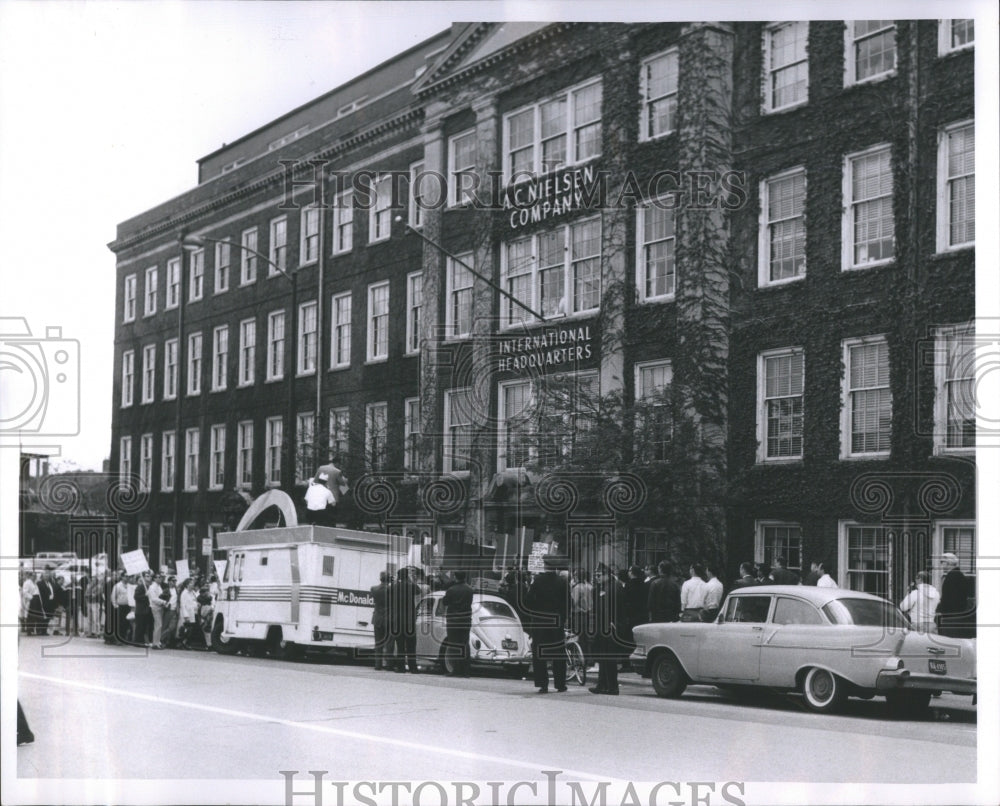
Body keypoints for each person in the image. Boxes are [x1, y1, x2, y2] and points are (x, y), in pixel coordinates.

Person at [524, 553, 569, 693]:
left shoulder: (537, 580)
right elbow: (567, 603)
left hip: (540, 622)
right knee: (559, 653)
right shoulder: (562, 581)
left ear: (545, 565)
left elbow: (528, 600)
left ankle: (543, 684)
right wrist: (563, 618)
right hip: (556, 622)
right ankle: (560, 684)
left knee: (539, 652)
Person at [589, 567, 623, 695]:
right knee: (603, 657)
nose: (597, 577)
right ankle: (602, 684)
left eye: (599, 575)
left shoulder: (615, 586)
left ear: (607, 575)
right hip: (602, 626)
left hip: (610, 627)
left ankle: (612, 686)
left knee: (609, 657)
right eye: (596, 575)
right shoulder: (603, 587)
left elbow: (618, 607)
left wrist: (614, 622)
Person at [442, 570, 474, 677]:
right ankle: (466, 671)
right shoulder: (470, 590)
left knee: (454, 644)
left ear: (455, 577)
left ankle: (456, 670)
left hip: (453, 620)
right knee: (465, 644)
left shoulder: (451, 589)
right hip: (466, 620)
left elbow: (445, 602)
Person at [388, 568, 420, 673]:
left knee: (400, 645)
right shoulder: (412, 586)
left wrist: (397, 581)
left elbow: (389, 592)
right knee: (411, 645)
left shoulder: (394, 586)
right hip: (409, 620)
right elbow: (418, 590)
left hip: (398, 620)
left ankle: (401, 667)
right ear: (407, 576)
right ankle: (413, 667)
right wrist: (410, 580)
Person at [936, 553, 975, 638]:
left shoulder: (952, 576)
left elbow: (949, 598)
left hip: (950, 617)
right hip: (958, 615)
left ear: (948, 563)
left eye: (942, 562)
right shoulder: (959, 575)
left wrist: (941, 610)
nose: (941, 564)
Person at [570, 570, 594, 665]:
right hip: (587, 613)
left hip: (578, 614)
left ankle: (579, 659)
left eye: (574, 575)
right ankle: (588, 659)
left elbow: (574, 602)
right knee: (586, 637)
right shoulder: (589, 586)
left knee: (578, 636)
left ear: (577, 576)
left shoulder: (577, 588)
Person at [370, 571, 391, 670]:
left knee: (378, 643)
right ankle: (388, 664)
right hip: (388, 618)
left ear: (380, 579)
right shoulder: (392, 589)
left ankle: (377, 665)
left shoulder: (374, 589)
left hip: (377, 617)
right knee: (388, 642)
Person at [133, 571, 153, 647]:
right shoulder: (141, 586)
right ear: (144, 577)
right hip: (140, 610)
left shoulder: (149, 586)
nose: (149, 577)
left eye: (150, 576)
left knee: (144, 627)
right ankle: (137, 642)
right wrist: (145, 596)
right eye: (147, 576)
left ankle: (141, 641)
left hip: (147, 610)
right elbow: (136, 597)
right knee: (140, 627)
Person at [112, 571, 131, 644]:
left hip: (128, 606)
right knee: (119, 623)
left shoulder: (129, 586)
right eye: (125, 576)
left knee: (126, 623)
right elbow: (113, 597)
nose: (127, 578)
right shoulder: (117, 586)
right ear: (122, 577)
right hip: (120, 606)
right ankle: (117, 639)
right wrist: (115, 606)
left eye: (127, 576)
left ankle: (123, 638)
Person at [148, 573, 166, 649]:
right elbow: (154, 599)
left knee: (159, 625)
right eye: (158, 577)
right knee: (158, 625)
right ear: (154, 579)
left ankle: (157, 642)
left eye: (160, 577)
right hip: (155, 607)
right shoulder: (152, 587)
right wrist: (163, 602)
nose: (160, 579)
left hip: (160, 607)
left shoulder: (159, 587)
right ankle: (155, 643)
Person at [85, 572, 104, 637]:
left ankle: (97, 632)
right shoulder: (88, 585)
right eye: (92, 578)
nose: (92, 579)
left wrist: (90, 594)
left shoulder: (99, 586)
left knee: (96, 619)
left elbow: (96, 595)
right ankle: (90, 632)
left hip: (95, 603)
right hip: (89, 603)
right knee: (89, 619)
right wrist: (90, 594)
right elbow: (86, 594)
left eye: (94, 578)